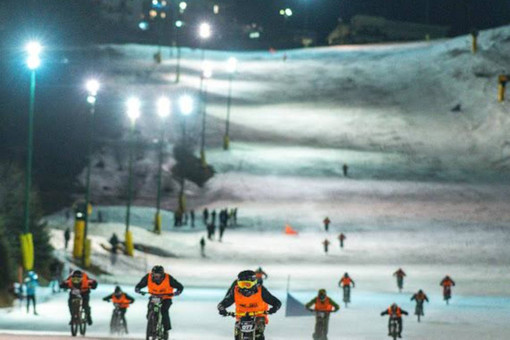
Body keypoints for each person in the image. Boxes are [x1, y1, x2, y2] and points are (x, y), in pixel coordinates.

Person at [217, 270, 281, 340]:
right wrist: (222, 308)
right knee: (238, 334)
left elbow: (276, 302)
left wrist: (275, 308)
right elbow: (225, 302)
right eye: (242, 284)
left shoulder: (261, 291)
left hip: (259, 314)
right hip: (242, 315)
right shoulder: (235, 291)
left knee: (259, 332)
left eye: (247, 285)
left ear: (254, 283)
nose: (244, 288)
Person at [135, 265, 184, 339]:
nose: (156, 277)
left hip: (165, 298)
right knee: (150, 310)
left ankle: (165, 330)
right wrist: (138, 289)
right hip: (155, 297)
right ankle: (151, 324)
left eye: (158, 275)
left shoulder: (169, 278)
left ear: (162, 275)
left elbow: (179, 286)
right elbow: (140, 284)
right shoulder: (148, 277)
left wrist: (178, 292)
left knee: (164, 311)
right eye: (155, 275)